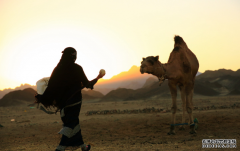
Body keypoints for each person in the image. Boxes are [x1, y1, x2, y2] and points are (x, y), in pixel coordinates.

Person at [35, 47, 105, 151]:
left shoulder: (57, 69)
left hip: (62, 104)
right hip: (74, 102)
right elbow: (87, 84)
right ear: (73, 56)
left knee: (74, 123)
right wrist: (98, 77)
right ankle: (60, 148)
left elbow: (51, 86)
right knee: (70, 125)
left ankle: (83, 146)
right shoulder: (77, 68)